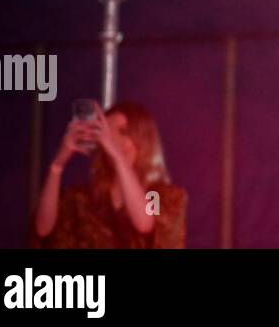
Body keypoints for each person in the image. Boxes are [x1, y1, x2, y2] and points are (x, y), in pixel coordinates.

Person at [30, 101, 186, 249]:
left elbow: (145, 223)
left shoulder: (159, 195)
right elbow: (43, 230)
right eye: (108, 134)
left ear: (143, 138)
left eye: (123, 132)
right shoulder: (83, 198)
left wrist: (117, 156)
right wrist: (57, 166)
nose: (113, 141)